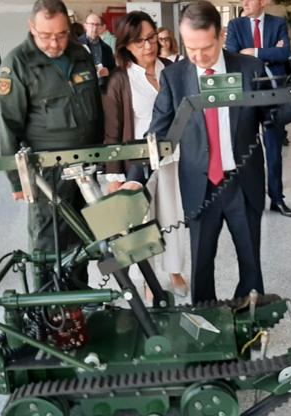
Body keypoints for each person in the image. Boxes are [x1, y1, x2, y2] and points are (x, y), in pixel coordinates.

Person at [149, 1, 291, 303]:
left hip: (243, 182)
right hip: (200, 186)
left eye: (207, 48)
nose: (199, 57)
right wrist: (133, 176)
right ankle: (207, 323)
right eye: (191, 49)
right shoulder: (174, 77)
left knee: (250, 261)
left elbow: (272, 116)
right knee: (202, 264)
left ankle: (249, 322)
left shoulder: (249, 68)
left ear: (221, 35)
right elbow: (158, 133)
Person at [0, 0, 104, 287]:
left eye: (62, 34)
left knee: (84, 235)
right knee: (49, 240)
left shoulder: (80, 54)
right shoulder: (17, 63)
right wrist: (18, 182)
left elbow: (96, 108)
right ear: (32, 27)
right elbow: (6, 126)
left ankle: (79, 295)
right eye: (46, 35)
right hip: (47, 173)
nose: (55, 43)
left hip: (86, 166)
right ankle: (47, 304)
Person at [101, 11, 189, 299]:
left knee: (173, 217)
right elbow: (112, 132)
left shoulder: (173, 70)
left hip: (172, 159)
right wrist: (114, 175)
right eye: (139, 42)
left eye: (151, 38)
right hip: (137, 164)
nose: (149, 46)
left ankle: (175, 270)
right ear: (126, 45)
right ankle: (149, 282)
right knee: (142, 225)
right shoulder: (121, 80)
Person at [225, 0, 291, 217]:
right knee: (247, 151)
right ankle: (250, 200)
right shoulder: (235, 25)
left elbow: (285, 55)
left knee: (274, 150)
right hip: (246, 94)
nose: (244, 3)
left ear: (263, 2)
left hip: (274, 94)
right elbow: (232, 56)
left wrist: (254, 51)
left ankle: (277, 199)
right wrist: (269, 52)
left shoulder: (278, 23)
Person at [79, 13, 116, 90]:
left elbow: (113, 68)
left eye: (97, 25)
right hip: (84, 89)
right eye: (92, 24)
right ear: (85, 26)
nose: (95, 28)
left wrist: (108, 71)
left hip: (102, 88)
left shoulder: (106, 48)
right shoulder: (77, 45)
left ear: (101, 27)